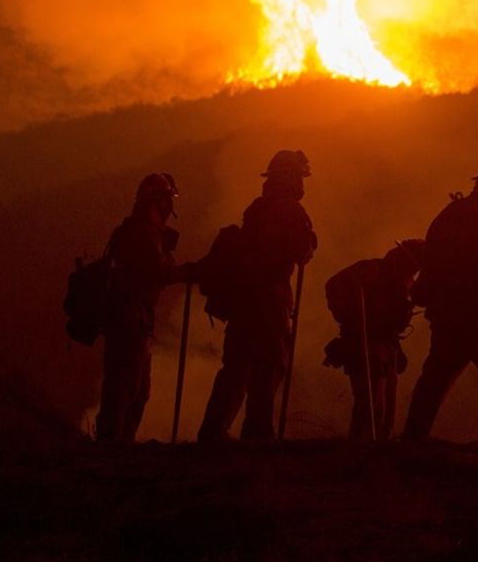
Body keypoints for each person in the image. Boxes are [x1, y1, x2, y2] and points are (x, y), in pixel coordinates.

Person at [402, 155, 478, 441]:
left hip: (447, 312)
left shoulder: (456, 211)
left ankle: (413, 436)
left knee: (437, 376)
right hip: (477, 313)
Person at [198, 150, 316, 442]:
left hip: (243, 300)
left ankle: (213, 430)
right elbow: (302, 250)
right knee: (269, 365)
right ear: (290, 177)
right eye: (299, 176)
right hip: (269, 300)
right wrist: (311, 240)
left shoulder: (257, 208)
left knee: (236, 368)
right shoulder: (290, 210)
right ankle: (258, 432)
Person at [96, 173, 192, 442]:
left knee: (136, 389)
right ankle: (112, 444)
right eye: (167, 199)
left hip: (133, 318)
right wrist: (192, 271)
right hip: (130, 318)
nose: (169, 206)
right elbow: (161, 271)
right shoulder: (143, 233)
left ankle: (119, 441)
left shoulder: (136, 229)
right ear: (159, 201)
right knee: (124, 386)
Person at [323, 240, 426, 441]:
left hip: (388, 347)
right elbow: (333, 286)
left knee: (387, 414)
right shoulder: (371, 270)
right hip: (364, 344)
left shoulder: (406, 282)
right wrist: (347, 313)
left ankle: (378, 453)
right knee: (371, 406)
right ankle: (360, 449)